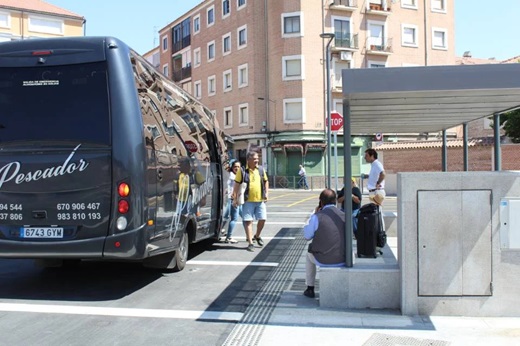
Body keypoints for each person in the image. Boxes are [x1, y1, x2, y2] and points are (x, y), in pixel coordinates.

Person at [303, 189, 345, 298]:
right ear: (335, 201)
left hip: (323, 260)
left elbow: (307, 236)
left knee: (308, 255)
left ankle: (310, 288)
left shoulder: (318, 216)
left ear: (321, 202)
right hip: (343, 259)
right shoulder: (344, 215)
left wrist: (314, 214)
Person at [233, 151, 269, 252]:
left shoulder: (261, 170)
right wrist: (235, 198)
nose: (257, 161)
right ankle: (250, 243)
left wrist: (267, 193)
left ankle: (257, 236)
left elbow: (266, 181)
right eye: (254, 159)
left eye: (257, 159)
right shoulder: (242, 170)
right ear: (248, 160)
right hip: (247, 200)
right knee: (248, 221)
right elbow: (236, 185)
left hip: (260, 200)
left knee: (262, 219)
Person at [364, 148, 386, 232]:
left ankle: (381, 233)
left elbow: (383, 174)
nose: (365, 157)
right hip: (373, 192)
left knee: (378, 213)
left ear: (372, 156)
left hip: (376, 191)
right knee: (375, 212)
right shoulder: (373, 165)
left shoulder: (377, 164)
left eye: (366, 156)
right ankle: (377, 232)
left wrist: (378, 183)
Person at [222, 160, 241, 243]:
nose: (236, 168)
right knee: (233, 218)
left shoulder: (233, 175)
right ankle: (228, 236)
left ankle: (222, 231)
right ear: (232, 167)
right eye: (235, 167)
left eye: (238, 167)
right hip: (232, 198)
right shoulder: (232, 176)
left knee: (228, 216)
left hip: (233, 198)